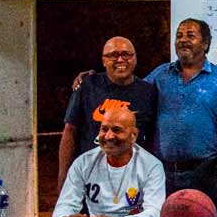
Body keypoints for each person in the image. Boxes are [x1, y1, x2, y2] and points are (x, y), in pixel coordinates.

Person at [145, 18, 217, 194]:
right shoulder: (160, 74)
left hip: (206, 172)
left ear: (205, 44)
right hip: (161, 173)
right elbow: (131, 92)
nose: (183, 40)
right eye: (179, 36)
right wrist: (95, 77)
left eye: (190, 35)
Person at [57, 36, 157, 191]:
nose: (120, 59)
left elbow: (151, 139)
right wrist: (63, 178)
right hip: (90, 178)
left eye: (126, 54)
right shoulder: (87, 86)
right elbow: (70, 131)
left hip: (131, 179)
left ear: (135, 59)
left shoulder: (148, 92)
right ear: (103, 61)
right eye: (112, 55)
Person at [53, 108, 165, 217]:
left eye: (117, 130)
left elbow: (155, 212)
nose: (109, 136)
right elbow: (64, 206)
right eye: (104, 129)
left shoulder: (151, 165)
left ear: (134, 135)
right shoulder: (83, 163)